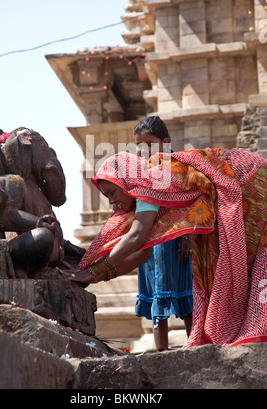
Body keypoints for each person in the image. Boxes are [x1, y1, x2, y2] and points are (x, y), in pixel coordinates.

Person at [60, 146, 267, 348]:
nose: (112, 203)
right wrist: (98, 275)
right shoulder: (145, 195)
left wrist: (92, 270)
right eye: (107, 197)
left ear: (125, 181)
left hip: (245, 180)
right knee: (225, 261)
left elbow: (136, 238)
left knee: (239, 259)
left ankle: (252, 331)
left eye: (113, 193)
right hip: (239, 179)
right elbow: (142, 254)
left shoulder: (146, 183)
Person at [133, 116, 193, 350]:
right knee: (156, 296)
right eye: (140, 146)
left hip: (177, 241)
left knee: (184, 293)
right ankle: (162, 353)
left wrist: (188, 237)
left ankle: (195, 344)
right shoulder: (142, 172)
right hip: (149, 244)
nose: (144, 150)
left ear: (165, 142)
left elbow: (190, 202)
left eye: (150, 144)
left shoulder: (178, 168)